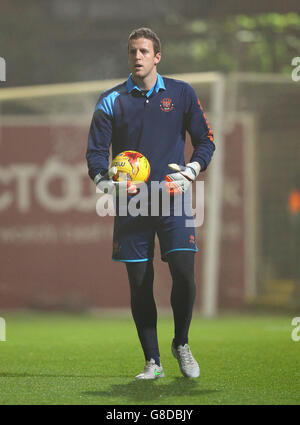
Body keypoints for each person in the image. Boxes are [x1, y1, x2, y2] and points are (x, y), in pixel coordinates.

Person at [86, 28, 215, 379]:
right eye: (132, 52)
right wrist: (106, 185)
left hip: (174, 198)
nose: (137, 57)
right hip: (132, 203)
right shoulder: (111, 100)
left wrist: (191, 170)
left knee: (185, 276)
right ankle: (153, 362)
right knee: (140, 284)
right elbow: (96, 154)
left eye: (144, 51)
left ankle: (181, 343)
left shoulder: (181, 93)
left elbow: (206, 141)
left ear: (158, 56)